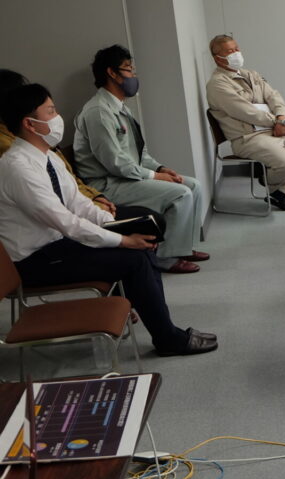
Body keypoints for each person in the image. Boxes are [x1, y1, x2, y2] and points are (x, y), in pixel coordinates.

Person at [0, 84, 217, 356]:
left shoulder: (47, 157)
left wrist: (115, 226)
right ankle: (168, 338)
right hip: (35, 261)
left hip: (57, 245)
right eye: (51, 111)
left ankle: (164, 330)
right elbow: (66, 221)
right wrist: (123, 240)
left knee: (142, 250)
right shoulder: (18, 168)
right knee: (135, 259)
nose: (58, 118)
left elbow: (78, 202)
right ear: (29, 124)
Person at [73, 45, 207, 274]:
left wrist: (161, 168)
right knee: (181, 194)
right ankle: (166, 257)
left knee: (193, 185)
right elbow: (115, 162)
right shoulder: (98, 112)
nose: (133, 75)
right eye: (128, 69)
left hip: (125, 177)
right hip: (107, 184)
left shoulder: (120, 108)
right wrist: (155, 177)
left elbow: (139, 154)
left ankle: (183, 248)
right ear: (111, 73)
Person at [0, 68, 163, 230]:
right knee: (146, 225)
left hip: (85, 202)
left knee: (151, 222)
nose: (56, 117)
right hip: (65, 219)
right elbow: (60, 212)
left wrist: (95, 198)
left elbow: (69, 182)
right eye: (51, 111)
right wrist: (118, 237)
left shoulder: (45, 147)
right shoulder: (12, 150)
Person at [206, 34, 285, 211]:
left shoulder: (251, 75)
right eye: (230, 51)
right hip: (248, 138)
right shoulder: (217, 84)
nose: (236, 53)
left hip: (274, 130)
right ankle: (270, 179)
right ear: (218, 58)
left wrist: (282, 118)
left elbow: (274, 97)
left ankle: (281, 192)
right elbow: (244, 111)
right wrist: (278, 123)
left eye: (237, 48)